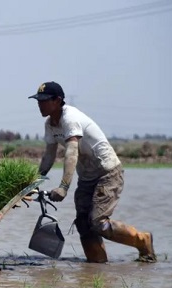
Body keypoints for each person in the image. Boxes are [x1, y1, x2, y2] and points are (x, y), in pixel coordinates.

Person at [29, 81, 155, 263]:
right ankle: (97, 267)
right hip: (87, 177)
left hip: (107, 173)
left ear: (57, 100)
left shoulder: (69, 118)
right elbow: (49, 156)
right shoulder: (50, 124)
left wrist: (64, 186)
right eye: (38, 101)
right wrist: (34, 182)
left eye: (44, 100)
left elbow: (72, 152)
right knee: (83, 223)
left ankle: (143, 240)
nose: (39, 105)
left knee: (98, 222)